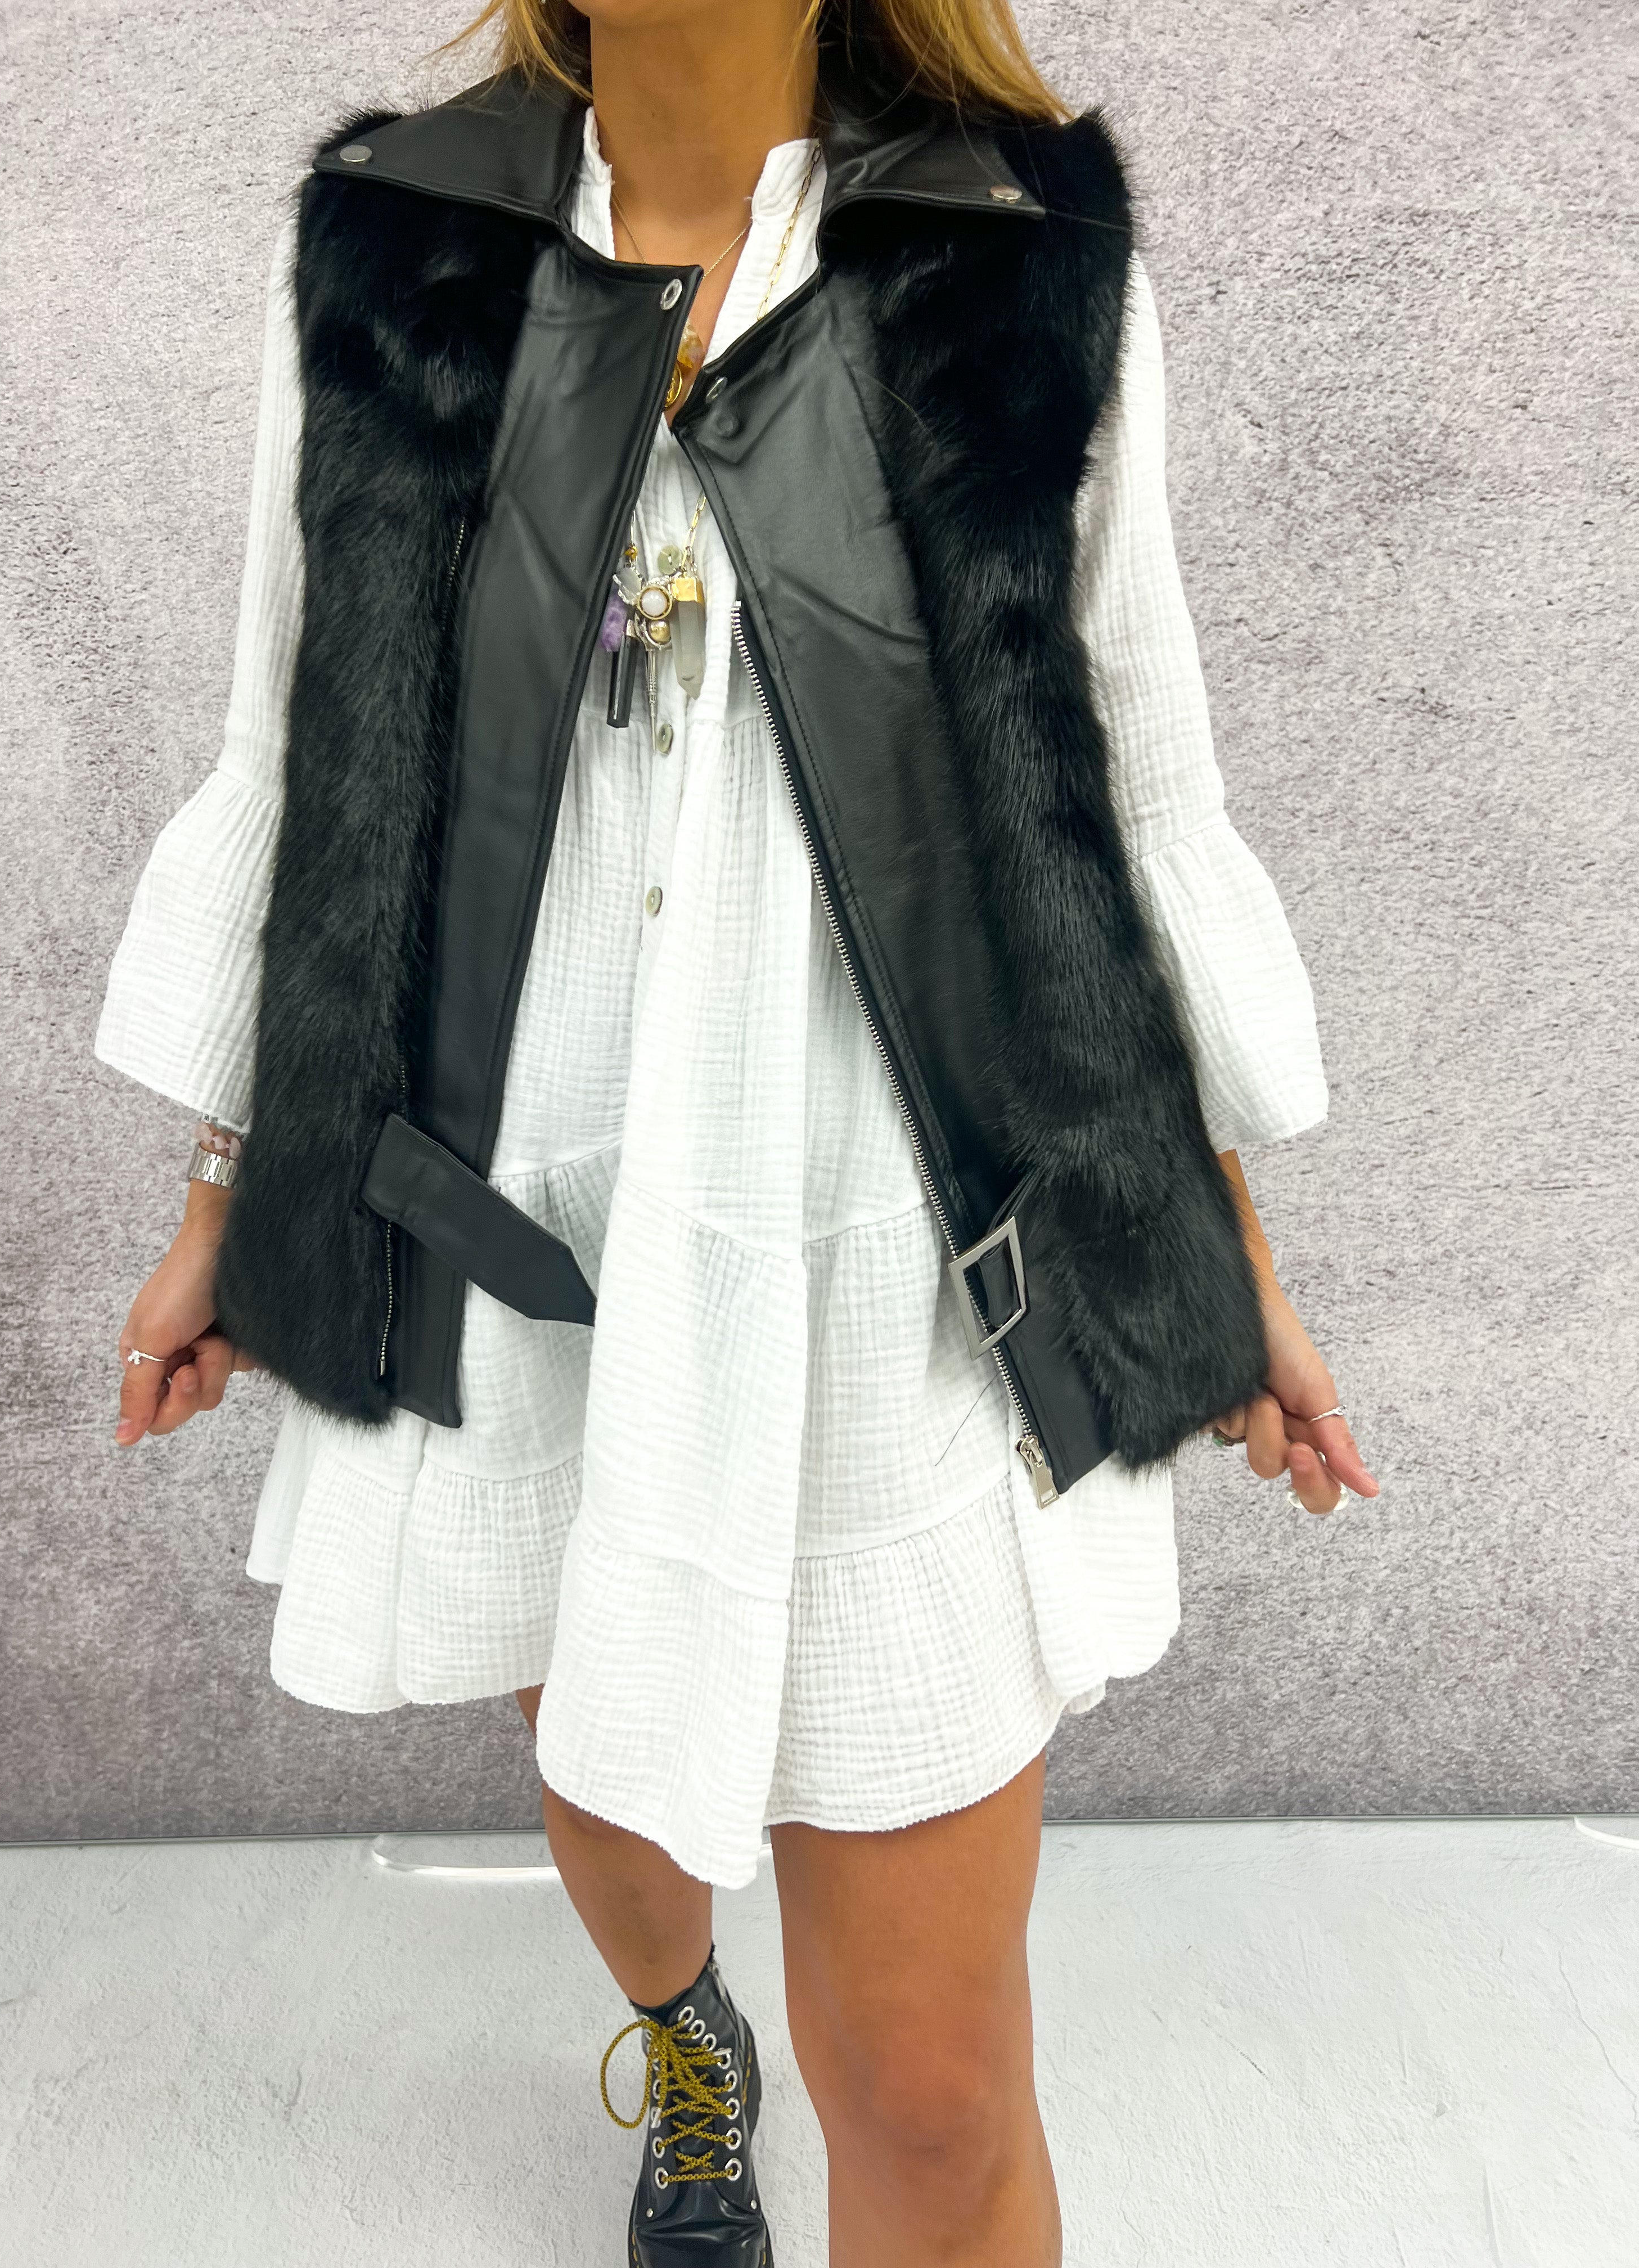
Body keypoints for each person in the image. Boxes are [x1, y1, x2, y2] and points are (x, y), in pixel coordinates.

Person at [96, 2, 1379, 2260]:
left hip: (899, 1244)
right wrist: (234, 1179)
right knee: (614, 1795)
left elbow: (1127, 779)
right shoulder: (402, 242)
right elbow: (309, 748)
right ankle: (688, 2028)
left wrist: (1224, 1236)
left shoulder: (1014, 248)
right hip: (525, 1207)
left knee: (934, 2092)